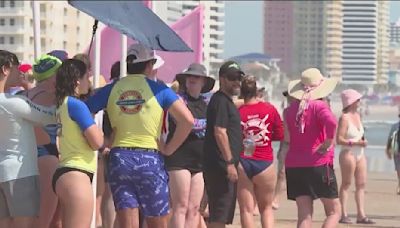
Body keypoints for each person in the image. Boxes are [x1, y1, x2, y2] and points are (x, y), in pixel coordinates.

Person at [85, 43, 194, 228]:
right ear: (149, 65)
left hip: (119, 158)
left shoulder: (112, 88)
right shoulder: (158, 89)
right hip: (149, 158)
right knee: (157, 222)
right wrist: (169, 148)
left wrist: (102, 140)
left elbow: (85, 111)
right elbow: (188, 120)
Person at [0, 50, 56, 228]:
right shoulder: (14, 102)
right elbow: (50, 116)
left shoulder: (14, 101)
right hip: (20, 174)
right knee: (25, 224)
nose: (21, 73)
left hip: (3, 172)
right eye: (17, 68)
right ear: (5, 69)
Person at [285, 68, 341, 228]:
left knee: (304, 215)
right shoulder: (319, 106)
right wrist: (328, 140)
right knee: (333, 211)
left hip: (294, 164)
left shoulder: (289, 110)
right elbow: (332, 122)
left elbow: (288, 138)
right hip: (318, 163)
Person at [53, 59, 104, 228]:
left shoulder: (61, 104)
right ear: (77, 80)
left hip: (64, 172)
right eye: (86, 77)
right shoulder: (76, 105)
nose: (88, 81)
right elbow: (97, 142)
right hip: (77, 174)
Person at [165, 63, 215, 228]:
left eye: (196, 77)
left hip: (200, 160)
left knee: (194, 209)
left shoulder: (206, 104)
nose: (192, 79)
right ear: (185, 80)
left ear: (203, 82)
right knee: (180, 206)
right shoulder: (178, 100)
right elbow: (185, 122)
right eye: (190, 76)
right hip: (179, 157)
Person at [20, 54, 62, 228]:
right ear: (53, 75)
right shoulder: (53, 97)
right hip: (47, 156)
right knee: (45, 220)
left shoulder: (25, 94)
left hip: (28, 155)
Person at [237, 76, 283, 228]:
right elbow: (279, 134)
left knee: (246, 210)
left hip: (243, 162)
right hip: (264, 162)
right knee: (266, 209)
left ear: (241, 93)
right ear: (257, 91)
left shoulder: (237, 111)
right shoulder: (269, 109)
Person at [203, 60, 244, 228]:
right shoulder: (220, 100)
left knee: (220, 214)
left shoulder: (225, 101)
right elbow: (219, 131)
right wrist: (229, 163)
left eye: (239, 78)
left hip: (220, 166)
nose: (237, 82)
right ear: (222, 79)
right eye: (232, 78)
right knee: (219, 215)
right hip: (221, 167)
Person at [336, 89, 374, 224]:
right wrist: (355, 143)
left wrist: (362, 141)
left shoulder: (358, 115)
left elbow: (359, 134)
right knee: (346, 183)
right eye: (357, 100)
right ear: (351, 102)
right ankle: (343, 214)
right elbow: (339, 139)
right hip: (348, 153)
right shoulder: (344, 118)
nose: (359, 102)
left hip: (360, 153)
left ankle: (361, 215)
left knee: (361, 184)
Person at [272, 91, 294, 210]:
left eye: (291, 96)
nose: (289, 99)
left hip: (299, 146)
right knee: (281, 173)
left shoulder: (303, 111)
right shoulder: (285, 111)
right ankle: (276, 198)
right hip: (286, 145)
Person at [386, 112, 400, 195]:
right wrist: (388, 150)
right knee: (398, 169)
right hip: (397, 150)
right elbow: (390, 138)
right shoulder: (395, 126)